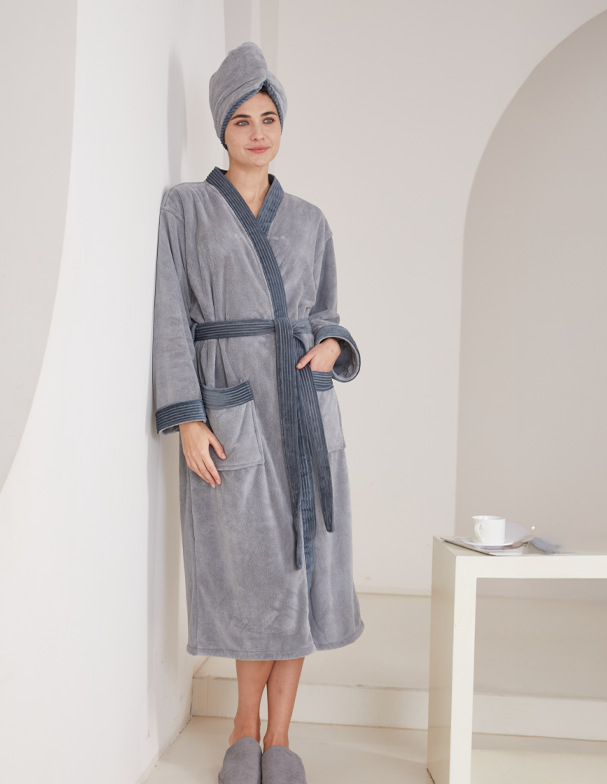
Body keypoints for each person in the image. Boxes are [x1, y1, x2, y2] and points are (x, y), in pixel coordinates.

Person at [152, 42, 362, 784]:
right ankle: (243, 727)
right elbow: (170, 317)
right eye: (242, 120)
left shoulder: (309, 220)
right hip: (233, 412)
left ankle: (280, 739)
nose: (257, 133)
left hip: (303, 410)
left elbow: (326, 313)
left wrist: (333, 346)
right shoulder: (186, 207)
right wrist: (188, 417)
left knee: (302, 568)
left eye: (268, 118)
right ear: (222, 128)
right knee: (256, 576)